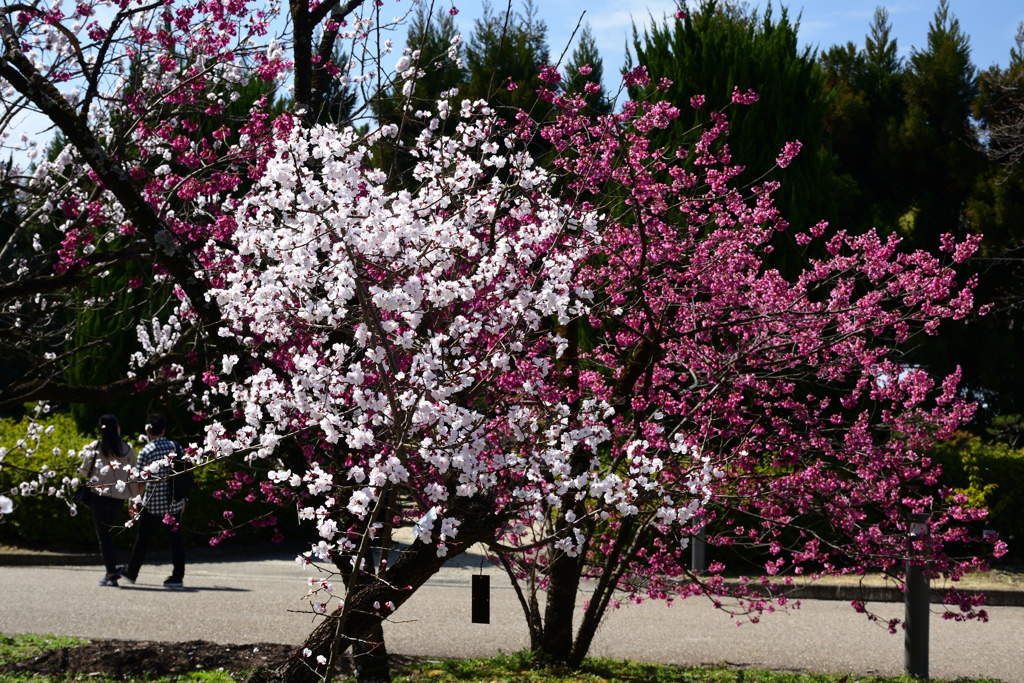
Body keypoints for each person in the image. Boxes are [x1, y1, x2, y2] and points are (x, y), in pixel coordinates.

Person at [118, 413, 188, 588]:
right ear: (164, 429)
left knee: (142, 539)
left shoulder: (146, 452)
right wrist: (184, 498)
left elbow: (140, 482)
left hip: (153, 504)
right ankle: (178, 576)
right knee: (176, 539)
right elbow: (183, 475)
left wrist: (133, 501)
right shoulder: (175, 447)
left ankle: (132, 573)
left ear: (146, 430)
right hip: (174, 502)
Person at [77, 414, 137, 587]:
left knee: (104, 537)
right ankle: (111, 570)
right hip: (119, 499)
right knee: (108, 535)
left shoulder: (96, 446)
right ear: (117, 427)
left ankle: (111, 573)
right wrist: (133, 501)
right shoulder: (128, 448)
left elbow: (83, 471)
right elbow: (133, 477)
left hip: (99, 498)